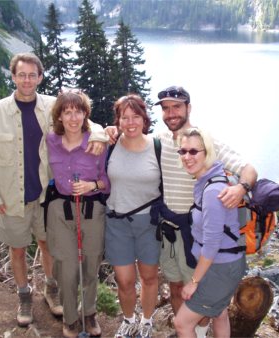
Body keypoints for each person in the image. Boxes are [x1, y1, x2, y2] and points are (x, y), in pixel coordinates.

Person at [106, 85, 257, 337]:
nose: (171, 113)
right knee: (176, 287)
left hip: (196, 232)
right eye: (166, 108)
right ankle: (185, 329)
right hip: (168, 231)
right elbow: (131, 136)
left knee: (196, 290)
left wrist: (241, 188)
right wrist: (109, 131)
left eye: (176, 107)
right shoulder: (160, 141)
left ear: (189, 107)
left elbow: (248, 168)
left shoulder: (204, 141)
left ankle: (195, 330)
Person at [0, 52, 106, 327]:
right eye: (21, 74)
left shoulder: (50, 105)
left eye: (32, 75)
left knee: (48, 244)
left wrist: (97, 133)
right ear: (13, 76)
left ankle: (51, 289)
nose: (27, 80)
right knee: (17, 248)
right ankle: (24, 295)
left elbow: (81, 118)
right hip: (10, 196)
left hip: (45, 197)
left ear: (40, 77)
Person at [45, 89, 110, 338]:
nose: (73, 118)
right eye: (67, 112)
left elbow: (107, 181)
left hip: (91, 209)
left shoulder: (96, 143)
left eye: (78, 111)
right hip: (60, 210)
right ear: (59, 116)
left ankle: (89, 313)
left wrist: (92, 185)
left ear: (86, 115)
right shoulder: (51, 140)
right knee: (66, 267)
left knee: (91, 264)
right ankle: (70, 318)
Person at [173, 127, 247, 337]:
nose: (187, 157)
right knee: (220, 313)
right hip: (228, 264)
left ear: (208, 153)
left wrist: (193, 283)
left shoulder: (213, 190)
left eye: (194, 151)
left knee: (182, 323)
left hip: (220, 268)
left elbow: (212, 244)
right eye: (183, 151)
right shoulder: (207, 180)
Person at [105, 95, 162, 338]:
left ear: (144, 119)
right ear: (117, 120)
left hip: (149, 222)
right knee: (124, 280)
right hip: (117, 222)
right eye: (124, 117)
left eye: (135, 116)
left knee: (149, 277)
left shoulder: (157, 146)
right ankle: (129, 320)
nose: (130, 123)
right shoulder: (110, 144)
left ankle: (146, 322)